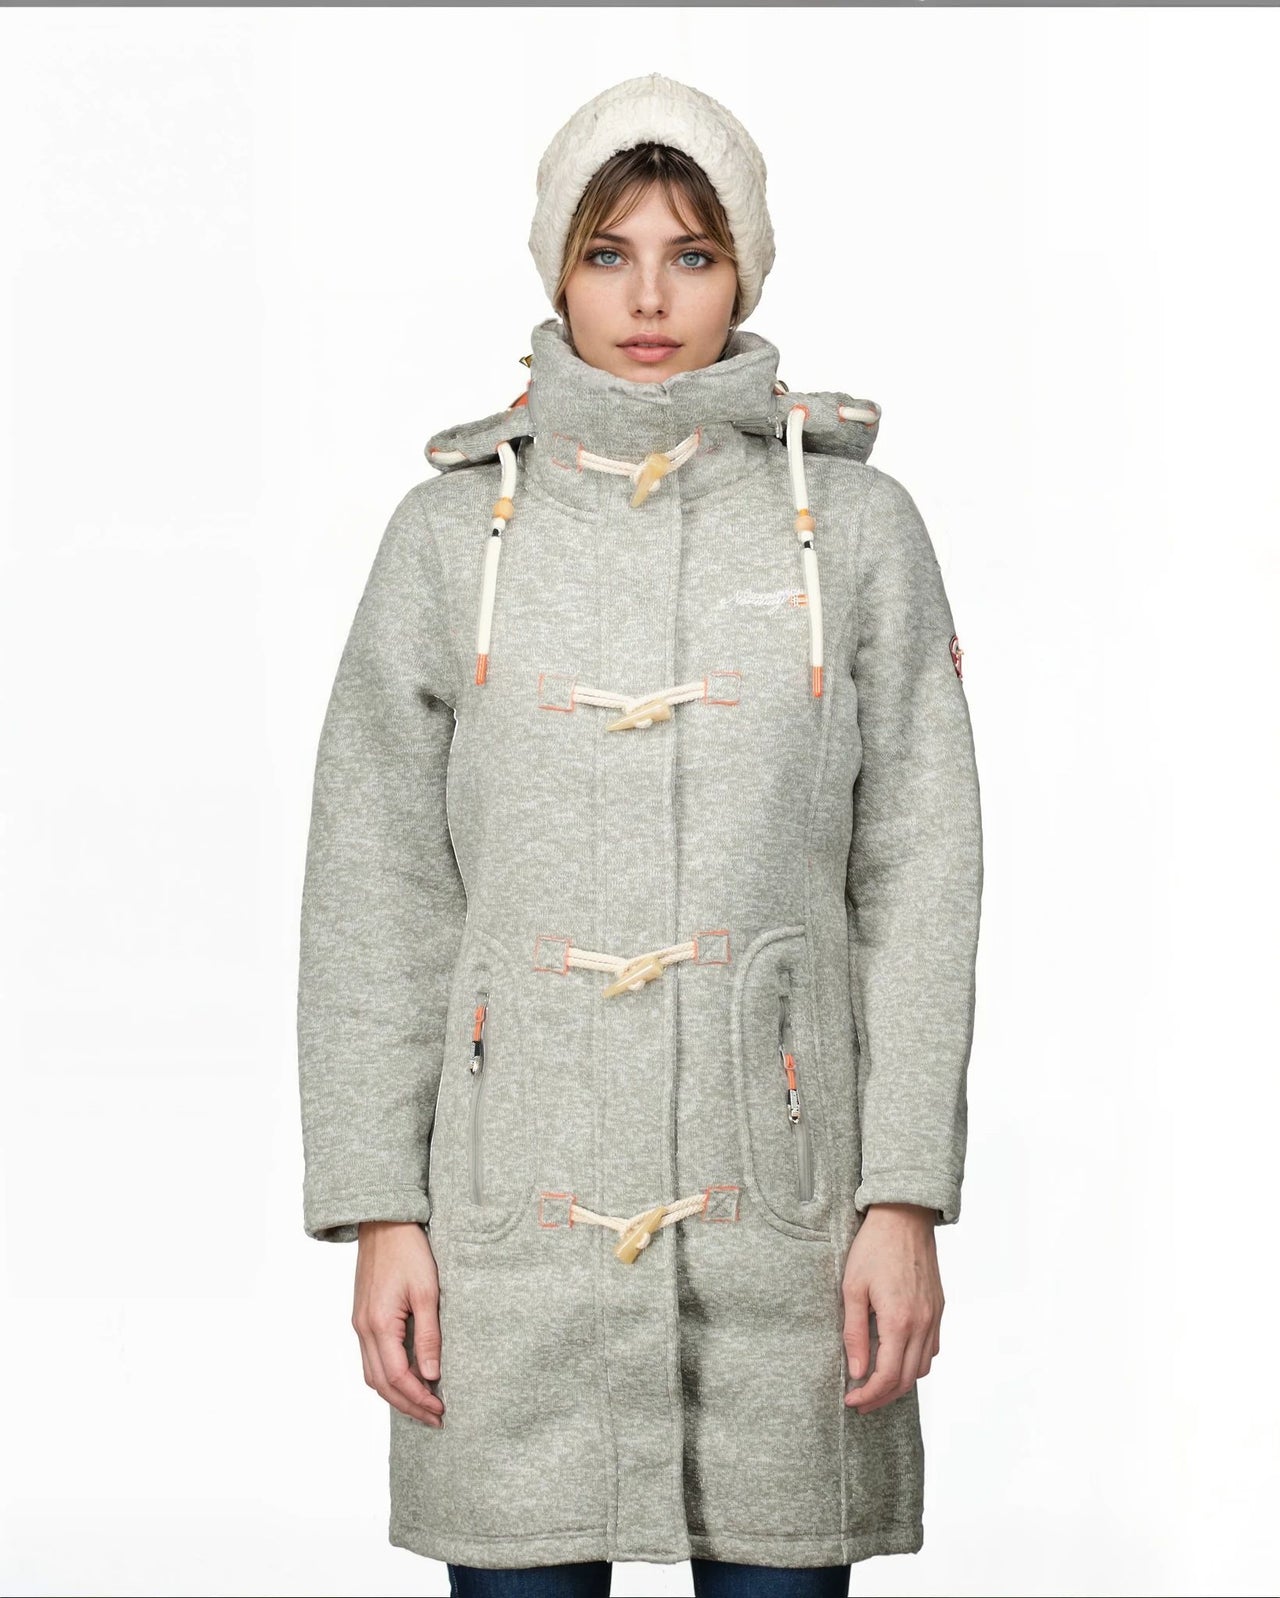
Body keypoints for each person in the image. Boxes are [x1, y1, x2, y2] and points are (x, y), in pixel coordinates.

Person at [297, 73, 983, 1598]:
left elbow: (922, 878)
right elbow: (375, 886)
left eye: (693, 253)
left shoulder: (858, 533)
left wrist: (902, 1194)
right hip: (508, 1233)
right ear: (558, 268)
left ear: (746, 270)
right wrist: (381, 1209)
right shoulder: (447, 538)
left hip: (788, 1222)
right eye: (610, 253)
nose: (652, 297)